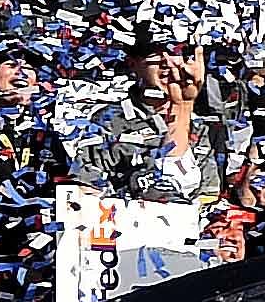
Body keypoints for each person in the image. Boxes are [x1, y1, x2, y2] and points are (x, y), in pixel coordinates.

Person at [78, 30, 225, 204]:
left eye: (174, 51)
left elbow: (208, 194)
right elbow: (85, 189)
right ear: (133, 63)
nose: (166, 62)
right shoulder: (109, 120)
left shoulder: (198, 127)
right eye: (154, 53)